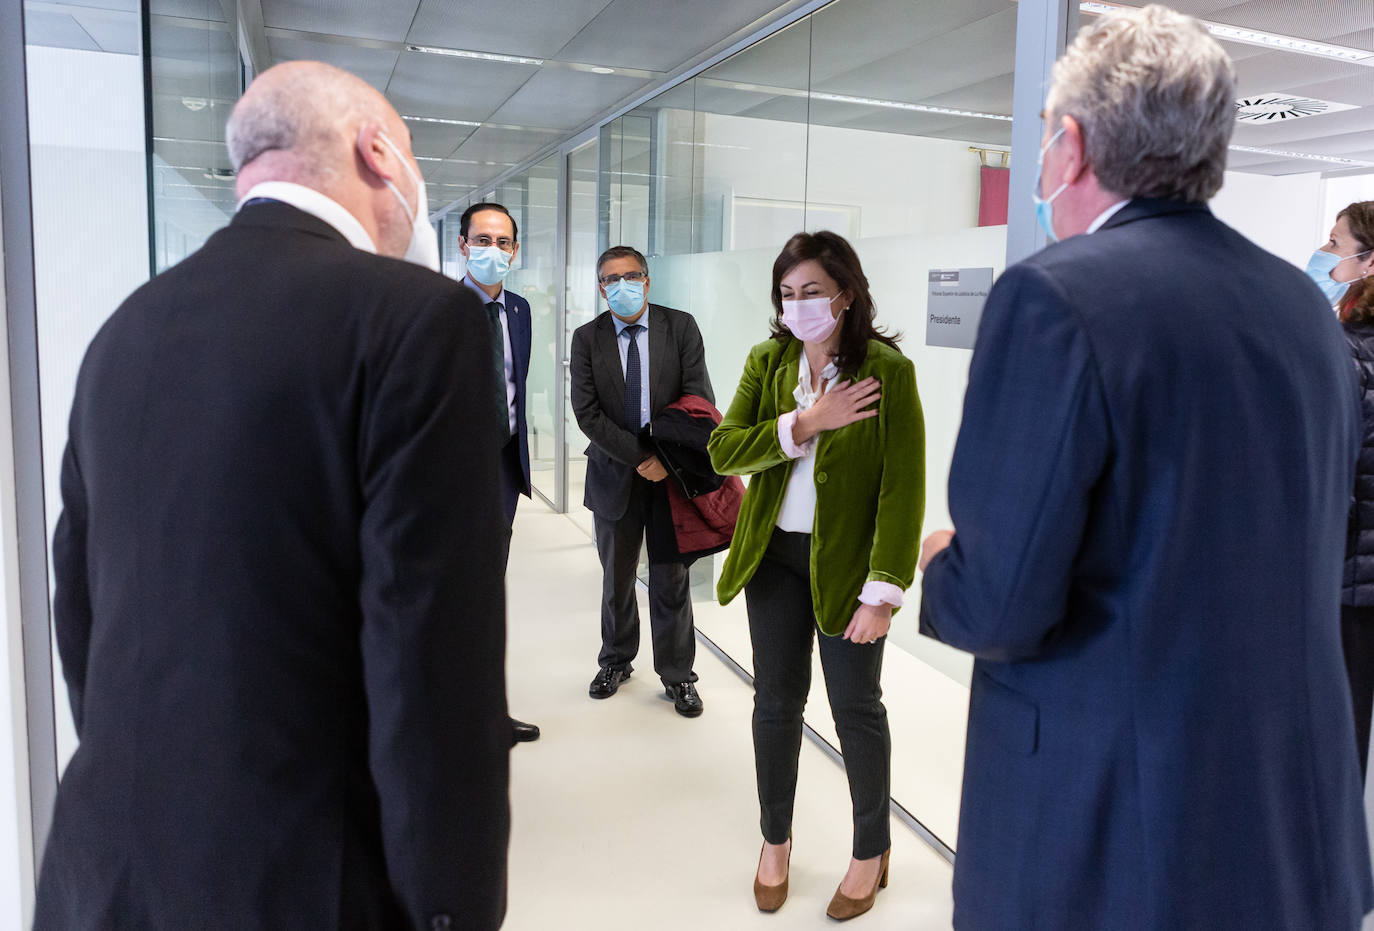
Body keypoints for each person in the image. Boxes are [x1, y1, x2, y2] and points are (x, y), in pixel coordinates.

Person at [918, 7, 1373, 929]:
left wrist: (940, 564)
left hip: (1114, 835)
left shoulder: (1053, 300)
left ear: (1071, 145)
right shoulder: (1304, 309)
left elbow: (1004, 602)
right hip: (1290, 829)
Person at [34, 61, 511, 930]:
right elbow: (430, 663)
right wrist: (451, 910)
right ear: (376, 152)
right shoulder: (417, 320)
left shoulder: (128, 327)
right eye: (408, 151)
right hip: (301, 881)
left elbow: (83, 611)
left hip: (102, 872)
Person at [708, 231, 924, 920]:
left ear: (846, 296)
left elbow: (903, 487)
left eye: (812, 292)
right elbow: (722, 448)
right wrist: (803, 422)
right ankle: (776, 841)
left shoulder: (887, 370)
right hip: (773, 558)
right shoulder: (768, 361)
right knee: (774, 704)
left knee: (856, 708)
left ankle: (871, 849)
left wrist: (884, 591)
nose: (797, 305)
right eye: (788, 293)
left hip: (849, 569)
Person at [569, 245, 712, 717]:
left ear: (647, 282)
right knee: (617, 578)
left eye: (631, 276)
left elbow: (698, 399)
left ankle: (677, 676)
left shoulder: (680, 326)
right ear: (600, 286)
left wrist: (666, 461)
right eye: (611, 278)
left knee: (672, 580)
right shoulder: (587, 338)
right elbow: (587, 413)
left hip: (670, 477)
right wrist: (639, 457)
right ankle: (616, 660)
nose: (622, 285)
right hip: (614, 474)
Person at [458, 199, 541, 745]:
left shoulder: (520, 310)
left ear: (515, 249)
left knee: (489, 590)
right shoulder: (435, 309)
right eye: (482, 240)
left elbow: (514, 387)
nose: (494, 250)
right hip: (451, 473)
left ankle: (485, 711)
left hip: (504, 467)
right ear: (463, 246)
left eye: (503, 241)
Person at [1308, 200, 1374, 783]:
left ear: (1367, 261)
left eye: (1334, 243)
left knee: (1340, 734)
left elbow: (1327, 470)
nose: (1324, 253)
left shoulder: (1347, 351)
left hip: (1351, 576)